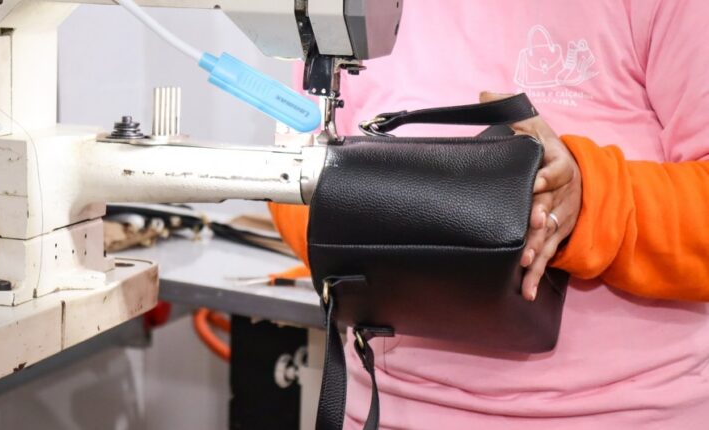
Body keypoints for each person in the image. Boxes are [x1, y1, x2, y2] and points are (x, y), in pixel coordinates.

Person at [269, 1, 709, 428]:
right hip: (385, 407)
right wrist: (374, 219)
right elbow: (292, 178)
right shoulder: (345, 9)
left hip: (624, 411)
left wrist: (588, 199)